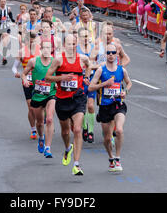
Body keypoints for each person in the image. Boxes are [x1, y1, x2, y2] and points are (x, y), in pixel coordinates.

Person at [45, 34, 92, 176]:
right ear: (64, 45)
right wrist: (61, 78)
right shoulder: (59, 60)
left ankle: (76, 164)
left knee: (77, 130)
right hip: (62, 99)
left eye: (74, 44)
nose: (71, 47)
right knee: (65, 132)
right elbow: (47, 77)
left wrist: (86, 77)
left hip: (77, 98)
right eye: (69, 44)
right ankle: (67, 148)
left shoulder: (83, 58)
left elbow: (89, 66)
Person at [88, 43, 132, 172]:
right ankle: (111, 157)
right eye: (108, 53)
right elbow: (91, 87)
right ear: (105, 55)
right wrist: (105, 84)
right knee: (107, 138)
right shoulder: (101, 70)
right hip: (105, 106)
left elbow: (129, 83)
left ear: (117, 54)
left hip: (118, 105)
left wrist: (125, 92)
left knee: (119, 130)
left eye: (113, 53)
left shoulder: (121, 70)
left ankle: (117, 158)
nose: (111, 55)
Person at [21, 40, 56, 158]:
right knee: (40, 122)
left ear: (51, 49)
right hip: (37, 95)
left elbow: (60, 74)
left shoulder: (55, 61)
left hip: (51, 94)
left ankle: (48, 148)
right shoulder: (34, 61)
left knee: (50, 119)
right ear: (40, 49)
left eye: (48, 48)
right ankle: (41, 137)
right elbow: (23, 73)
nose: (46, 50)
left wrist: (57, 83)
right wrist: (25, 80)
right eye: (44, 48)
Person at [12, 31, 40, 140]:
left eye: (34, 41)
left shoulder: (41, 51)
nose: (32, 43)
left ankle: (41, 121)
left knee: (41, 107)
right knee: (31, 108)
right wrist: (17, 73)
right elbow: (14, 67)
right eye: (30, 41)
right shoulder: (22, 52)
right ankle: (33, 129)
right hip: (27, 81)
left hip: (39, 82)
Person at [0, 0, 15, 65]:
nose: (3, 3)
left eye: (4, 1)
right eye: (2, 1)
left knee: (5, 42)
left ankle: (4, 57)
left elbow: (10, 14)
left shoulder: (8, 8)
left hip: (5, 26)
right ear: (0, 2)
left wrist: (12, 19)